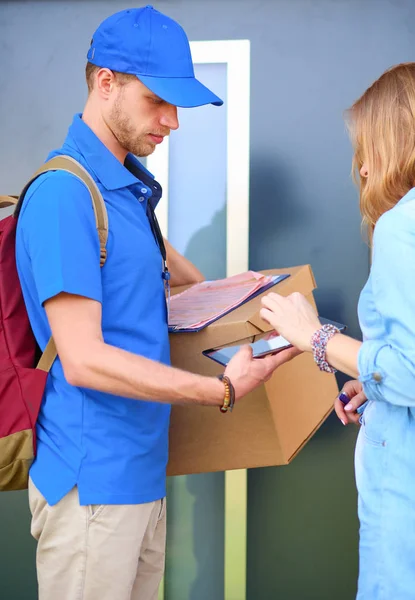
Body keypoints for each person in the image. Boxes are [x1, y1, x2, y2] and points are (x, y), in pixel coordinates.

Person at [15, 6, 298, 600]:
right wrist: (220, 390)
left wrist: (235, 295)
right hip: (92, 485)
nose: (172, 121)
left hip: (141, 475)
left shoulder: (124, 190)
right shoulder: (67, 194)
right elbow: (85, 358)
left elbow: (161, 280)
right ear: (106, 82)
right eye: (157, 100)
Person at [260, 62, 415, 600]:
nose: (362, 169)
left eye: (365, 148)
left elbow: (412, 373)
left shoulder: (402, 228)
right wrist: (371, 382)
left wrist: (316, 339)